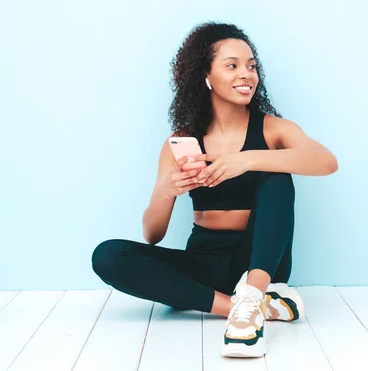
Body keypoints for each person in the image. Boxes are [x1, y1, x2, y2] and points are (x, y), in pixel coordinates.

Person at [91, 22, 338, 358]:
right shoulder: (180, 142)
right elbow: (152, 234)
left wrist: (248, 160)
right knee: (107, 255)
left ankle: (254, 295)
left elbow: (326, 161)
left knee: (277, 173)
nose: (246, 74)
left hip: (259, 263)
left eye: (251, 66)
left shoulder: (274, 129)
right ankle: (243, 308)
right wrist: (168, 189)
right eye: (232, 65)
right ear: (205, 76)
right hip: (204, 263)